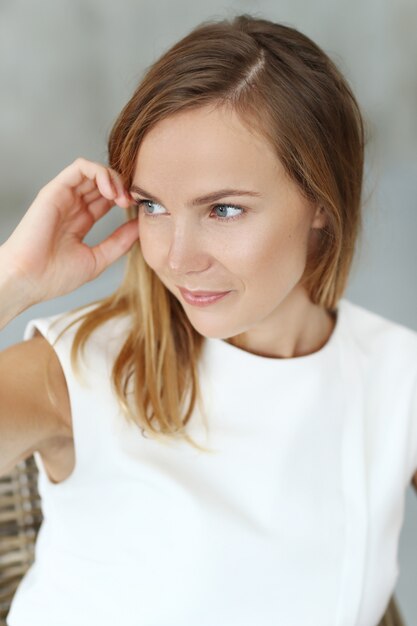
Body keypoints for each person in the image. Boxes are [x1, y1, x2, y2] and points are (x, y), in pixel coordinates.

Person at [0, 13, 415, 626]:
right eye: (153, 206)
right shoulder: (75, 371)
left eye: (223, 209)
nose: (175, 256)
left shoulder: (396, 374)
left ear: (320, 206)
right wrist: (11, 281)